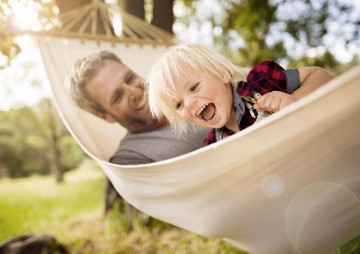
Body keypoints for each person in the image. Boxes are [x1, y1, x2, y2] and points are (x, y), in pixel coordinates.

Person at [66, 50, 208, 226]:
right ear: (105, 116)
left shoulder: (190, 92)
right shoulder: (130, 160)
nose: (135, 91)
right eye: (117, 96)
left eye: (129, 78)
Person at [147, 43, 333, 145]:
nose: (188, 103)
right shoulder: (214, 146)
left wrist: (294, 101)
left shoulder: (261, 83)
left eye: (194, 87)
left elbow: (321, 75)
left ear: (223, 74)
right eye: (178, 104)